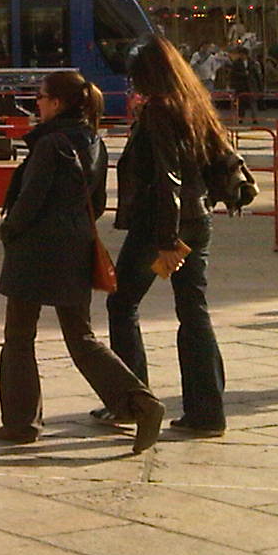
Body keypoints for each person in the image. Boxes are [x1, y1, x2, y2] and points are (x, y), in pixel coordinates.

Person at [0, 68, 164, 452]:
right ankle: (141, 402)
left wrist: (9, 230)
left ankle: (20, 422)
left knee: (19, 335)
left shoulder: (50, 143)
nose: (36, 103)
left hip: (36, 248)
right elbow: (96, 203)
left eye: (41, 97)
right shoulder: (94, 141)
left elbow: (30, 200)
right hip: (76, 244)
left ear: (57, 103)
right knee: (81, 336)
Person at [102, 37, 238, 438]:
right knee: (193, 310)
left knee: (122, 303)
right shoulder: (194, 103)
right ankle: (207, 411)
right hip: (199, 219)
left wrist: (166, 238)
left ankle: (132, 400)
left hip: (161, 223)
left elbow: (167, 178)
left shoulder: (160, 111)